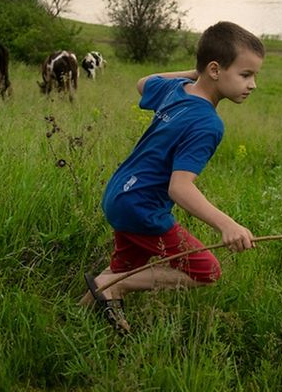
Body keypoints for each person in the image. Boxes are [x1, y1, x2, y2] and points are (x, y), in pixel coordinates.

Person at [81, 21, 265, 335]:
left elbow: (143, 83)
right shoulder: (208, 123)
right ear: (216, 70)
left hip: (119, 194)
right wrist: (227, 224)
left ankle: (78, 314)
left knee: (124, 267)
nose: (252, 85)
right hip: (143, 207)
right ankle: (112, 287)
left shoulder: (175, 89)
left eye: (254, 76)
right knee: (206, 271)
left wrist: (196, 74)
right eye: (245, 75)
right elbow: (179, 188)